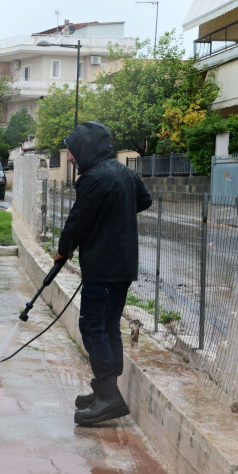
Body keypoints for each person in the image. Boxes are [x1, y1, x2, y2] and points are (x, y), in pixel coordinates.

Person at [53, 122, 152, 426]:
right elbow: (145, 200)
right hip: (123, 267)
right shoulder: (125, 173)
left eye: (72, 151)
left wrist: (63, 249)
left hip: (103, 267)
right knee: (108, 327)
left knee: (93, 327)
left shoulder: (94, 178)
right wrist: (115, 213)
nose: (71, 158)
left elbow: (78, 220)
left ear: (86, 149)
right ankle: (106, 391)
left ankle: (109, 398)